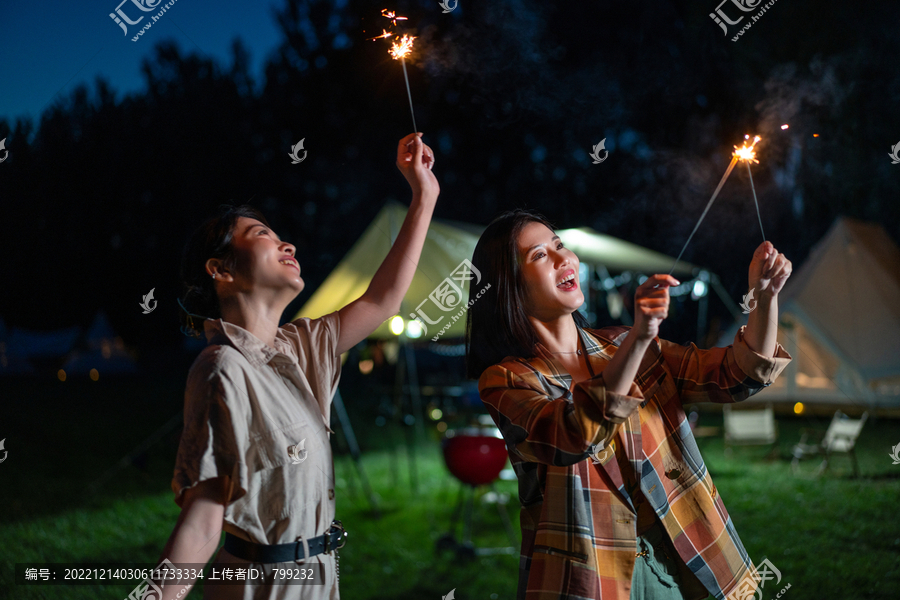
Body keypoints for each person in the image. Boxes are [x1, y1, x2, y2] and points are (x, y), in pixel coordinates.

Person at [152, 132, 439, 600]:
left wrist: (423, 195)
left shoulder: (304, 346)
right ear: (221, 270)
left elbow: (383, 299)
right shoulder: (222, 368)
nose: (287, 243)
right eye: (263, 234)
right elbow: (203, 523)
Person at [465, 209, 793, 600]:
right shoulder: (508, 379)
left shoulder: (625, 343)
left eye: (559, 245)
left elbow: (735, 377)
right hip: (589, 575)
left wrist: (765, 298)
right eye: (539, 255)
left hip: (683, 550)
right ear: (509, 285)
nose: (563, 258)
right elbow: (572, 435)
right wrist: (639, 339)